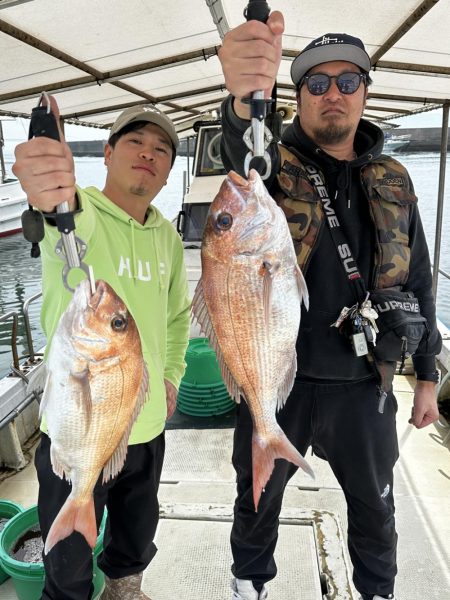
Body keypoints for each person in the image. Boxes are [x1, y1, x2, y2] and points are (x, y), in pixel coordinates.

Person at [217, 11, 442, 600]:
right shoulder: (270, 169)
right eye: (317, 84)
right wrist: (244, 101)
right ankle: (250, 585)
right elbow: (240, 144)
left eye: (348, 80)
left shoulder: (393, 178)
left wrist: (427, 378)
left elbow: (419, 278)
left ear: (366, 92)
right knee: (257, 499)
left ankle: (377, 592)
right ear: (298, 98)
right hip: (277, 380)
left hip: (364, 381)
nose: (333, 94)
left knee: (376, 509)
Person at [12, 99, 191, 600]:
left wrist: (172, 374)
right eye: (134, 141)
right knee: (67, 560)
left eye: (161, 149)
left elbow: (178, 317)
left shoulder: (168, 238)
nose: (147, 154)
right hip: (76, 432)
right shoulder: (82, 213)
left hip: (148, 426)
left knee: (134, 539)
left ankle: (124, 589)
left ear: (169, 170)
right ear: (107, 153)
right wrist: (50, 189)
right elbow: (59, 212)